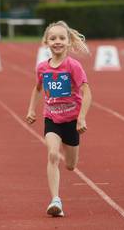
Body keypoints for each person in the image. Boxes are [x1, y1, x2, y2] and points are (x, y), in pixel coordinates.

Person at [26, 21, 92, 217]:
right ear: (46, 41)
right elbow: (38, 89)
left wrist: (81, 118)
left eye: (62, 38)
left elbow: (87, 93)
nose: (57, 41)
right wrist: (31, 109)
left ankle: (69, 154)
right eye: (53, 38)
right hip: (52, 119)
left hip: (72, 120)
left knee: (71, 165)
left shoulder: (73, 66)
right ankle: (56, 200)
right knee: (53, 155)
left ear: (68, 42)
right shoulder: (42, 68)